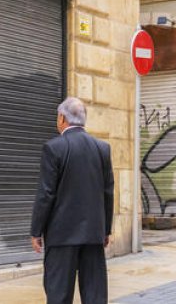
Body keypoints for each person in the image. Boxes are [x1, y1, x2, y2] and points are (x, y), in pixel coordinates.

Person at [30, 97, 114, 304]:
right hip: (93, 235)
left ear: (61, 119)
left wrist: (36, 231)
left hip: (61, 237)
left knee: (59, 295)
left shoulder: (54, 148)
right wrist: (105, 230)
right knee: (95, 296)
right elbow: (108, 192)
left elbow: (46, 194)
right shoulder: (102, 148)